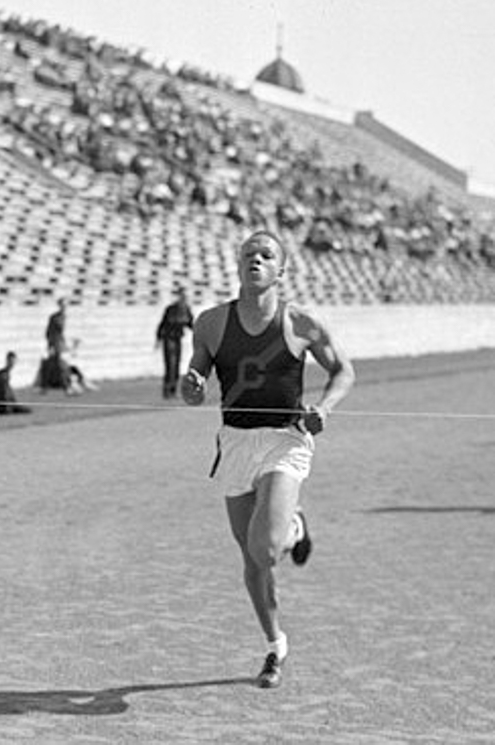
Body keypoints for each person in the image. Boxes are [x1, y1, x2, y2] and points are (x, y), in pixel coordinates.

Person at [181, 231, 355, 689]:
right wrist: (192, 385)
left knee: (267, 546)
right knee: (254, 561)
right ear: (238, 266)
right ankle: (275, 644)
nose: (255, 260)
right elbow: (192, 385)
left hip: (285, 440)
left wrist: (326, 408)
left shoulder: (300, 324)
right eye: (248, 255)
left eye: (266, 255)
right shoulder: (211, 324)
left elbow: (343, 371)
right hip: (236, 444)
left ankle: (293, 526)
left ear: (281, 271)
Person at [155, 287, 194, 398]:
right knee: (170, 366)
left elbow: (191, 324)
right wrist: (158, 339)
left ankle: (173, 390)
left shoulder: (186, 309)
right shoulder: (171, 309)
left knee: (176, 366)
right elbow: (163, 325)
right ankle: (167, 390)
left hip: (177, 339)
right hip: (169, 339)